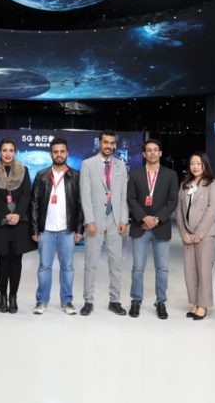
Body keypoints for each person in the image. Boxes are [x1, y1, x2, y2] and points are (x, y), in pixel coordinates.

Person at [30, 138, 84, 315]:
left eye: (62, 151)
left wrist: (79, 229)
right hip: (46, 230)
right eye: (55, 152)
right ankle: (41, 301)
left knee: (67, 268)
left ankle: (67, 302)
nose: (59, 155)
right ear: (51, 154)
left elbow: (81, 205)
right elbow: (34, 204)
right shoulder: (41, 176)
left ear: (67, 153)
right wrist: (35, 229)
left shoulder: (76, 176)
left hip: (67, 230)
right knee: (44, 268)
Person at [127, 139, 178, 319]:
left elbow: (172, 201)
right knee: (137, 267)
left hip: (160, 226)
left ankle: (161, 302)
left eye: (155, 150)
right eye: (149, 150)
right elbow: (131, 199)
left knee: (162, 268)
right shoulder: (135, 174)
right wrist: (144, 218)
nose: (152, 153)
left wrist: (156, 219)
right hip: (140, 226)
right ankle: (136, 300)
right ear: (144, 154)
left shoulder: (170, 175)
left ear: (160, 153)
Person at [79, 130, 129, 316]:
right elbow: (85, 195)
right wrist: (89, 220)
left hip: (115, 220)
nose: (109, 146)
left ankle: (114, 301)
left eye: (112, 143)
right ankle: (88, 301)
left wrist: (124, 219)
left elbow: (123, 195)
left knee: (116, 264)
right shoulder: (88, 164)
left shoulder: (120, 165)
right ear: (99, 143)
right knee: (90, 262)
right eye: (105, 142)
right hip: (95, 220)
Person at [0, 139, 36, 314]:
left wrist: (17, 214)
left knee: (16, 260)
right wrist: (6, 214)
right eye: (4, 150)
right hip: (0, 220)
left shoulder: (23, 170)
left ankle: (13, 296)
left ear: (15, 152)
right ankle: (2, 296)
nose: (7, 154)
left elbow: (26, 194)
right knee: (2, 259)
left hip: (19, 222)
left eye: (11, 150)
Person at [175, 152, 215, 320]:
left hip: (205, 234)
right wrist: (183, 233)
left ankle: (203, 305)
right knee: (190, 271)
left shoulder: (212, 184)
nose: (195, 166)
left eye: (198, 163)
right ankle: (194, 302)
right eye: (192, 163)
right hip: (188, 234)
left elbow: (212, 209)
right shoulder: (184, 185)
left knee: (204, 270)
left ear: (205, 165)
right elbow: (179, 210)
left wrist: (199, 233)